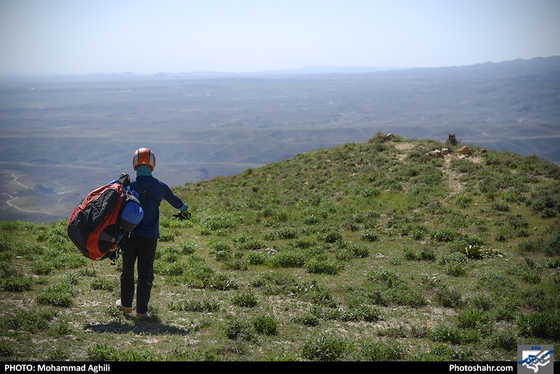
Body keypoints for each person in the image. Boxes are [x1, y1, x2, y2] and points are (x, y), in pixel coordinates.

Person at [117, 148, 190, 320]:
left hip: (130, 236)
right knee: (146, 273)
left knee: (127, 270)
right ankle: (142, 312)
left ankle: (126, 306)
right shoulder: (160, 186)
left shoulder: (129, 185)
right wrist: (185, 210)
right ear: (153, 164)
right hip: (150, 237)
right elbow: (179, 205)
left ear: (135, 164)